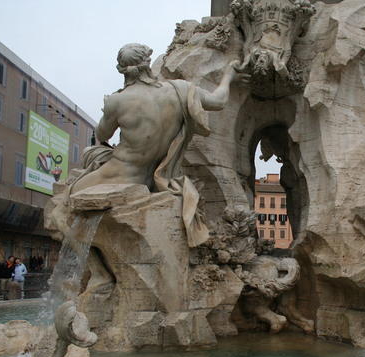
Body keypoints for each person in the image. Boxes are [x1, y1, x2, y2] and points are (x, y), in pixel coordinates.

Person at [68, 43, 248, 246]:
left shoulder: (117, 101)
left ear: (121, 69)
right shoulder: (181, 90)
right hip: (156, 177)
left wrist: (107, 109)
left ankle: (100, 273)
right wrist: (229, 75)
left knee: (64, 207)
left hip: (120, 174)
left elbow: (102, 135)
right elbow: (218, 101)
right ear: (147, 63)